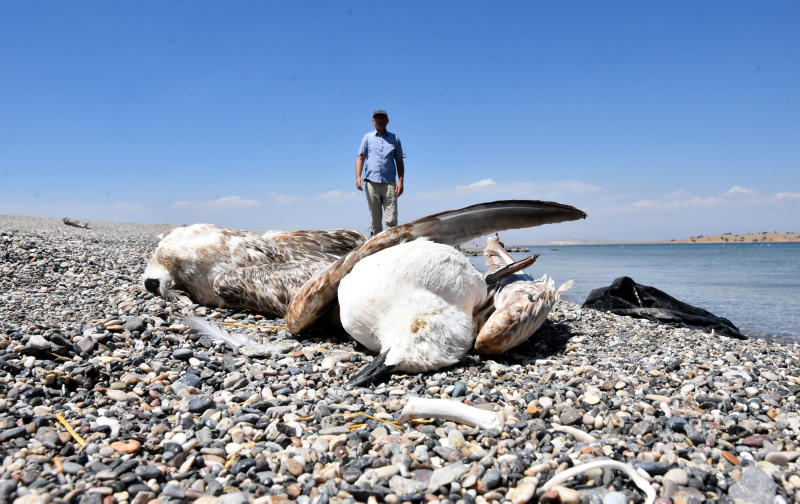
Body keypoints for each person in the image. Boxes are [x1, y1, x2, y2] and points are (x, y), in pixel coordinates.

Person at [356, 110, 406, 235]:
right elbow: (361, 158)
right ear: (373, 121)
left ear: (387, 121)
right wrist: (358, 177)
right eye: (377, 118)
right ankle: (377, 249)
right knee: (375, 220)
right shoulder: (367, 138)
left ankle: (391, 248)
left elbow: (399, 161)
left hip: (390, 183)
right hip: (372, 182)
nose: (380, 120)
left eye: (382, 118)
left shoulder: (395, 138)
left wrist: (401, 181)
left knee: (392, 220)